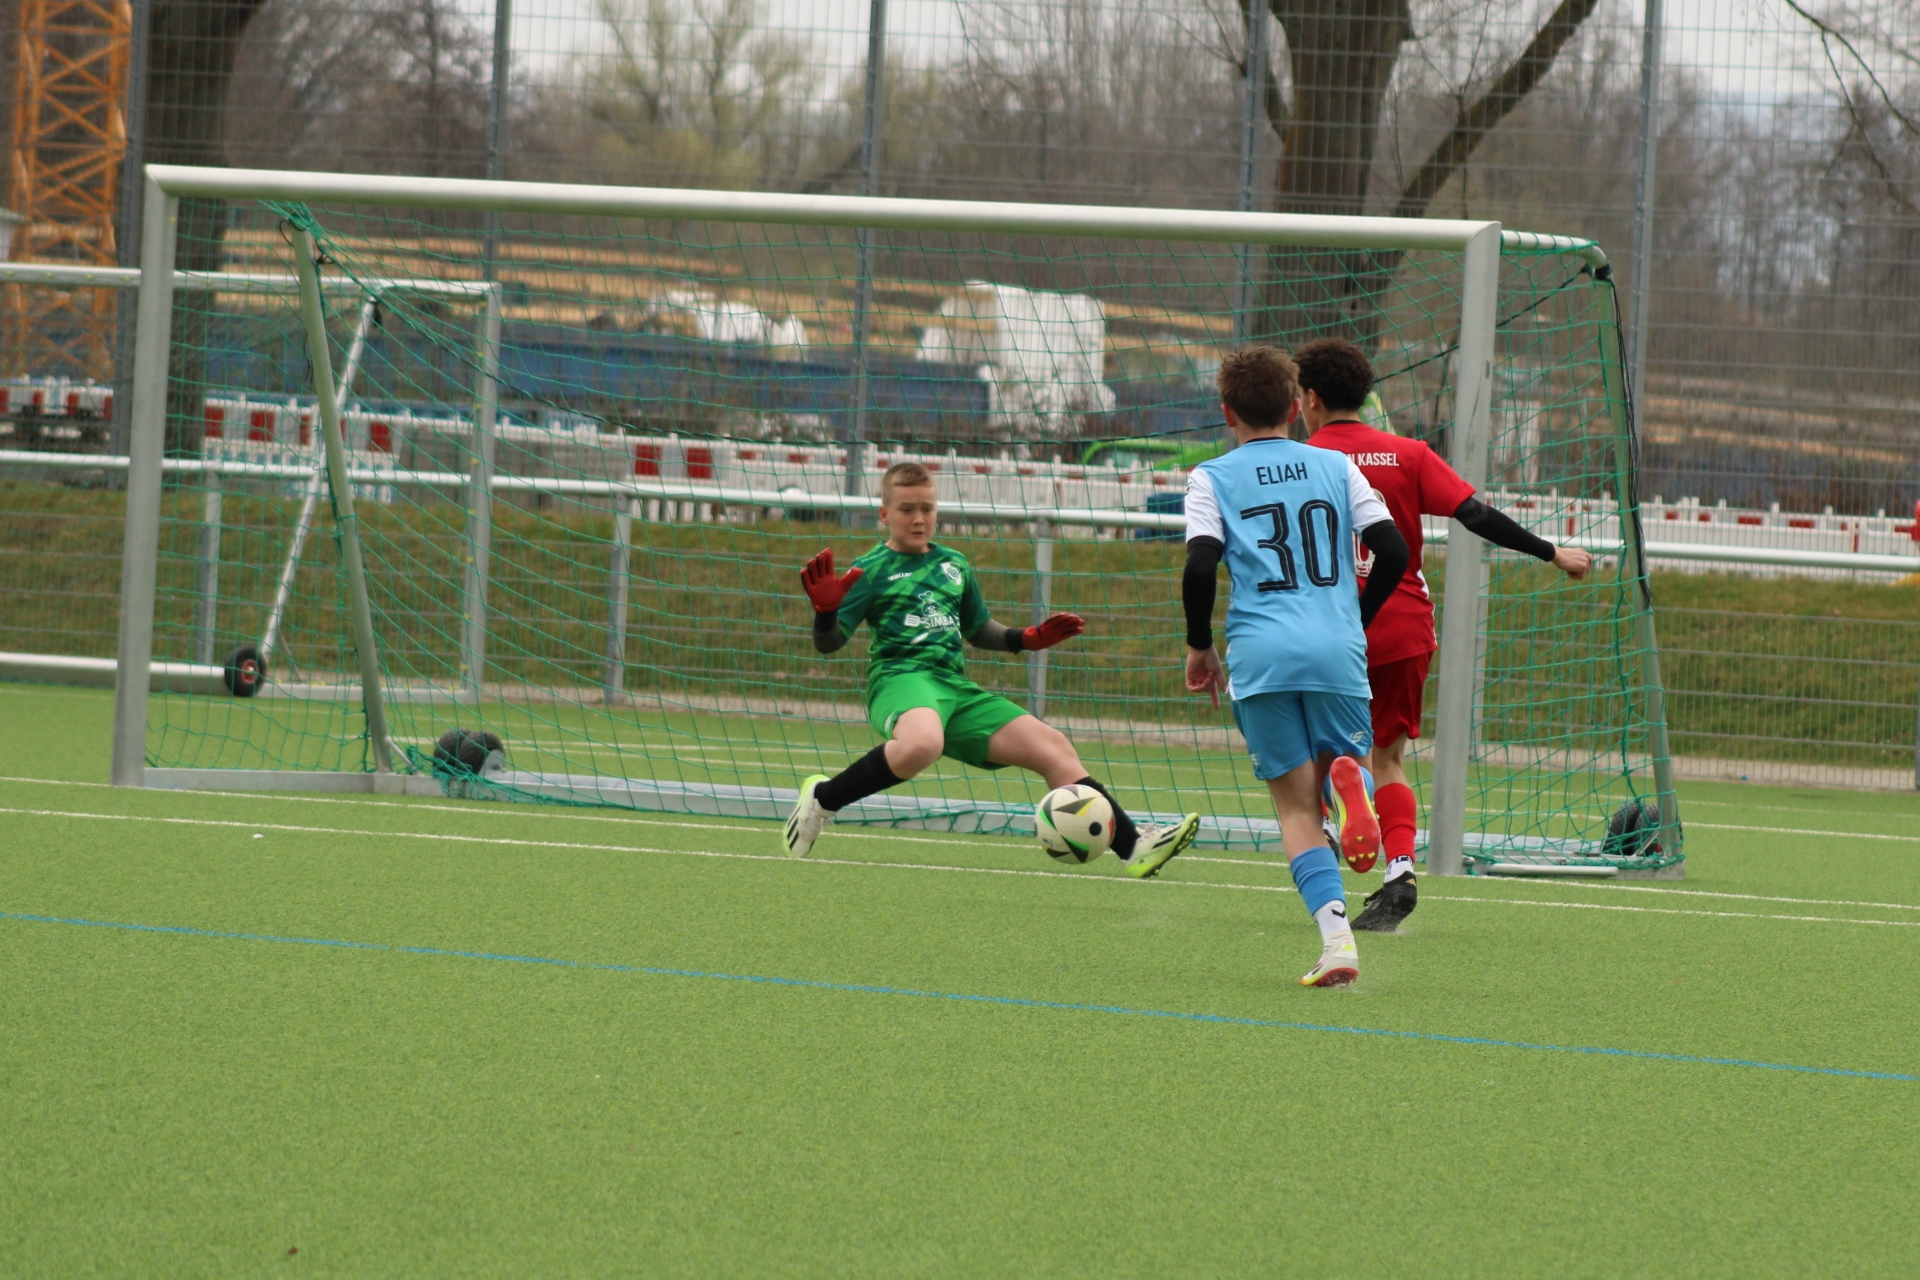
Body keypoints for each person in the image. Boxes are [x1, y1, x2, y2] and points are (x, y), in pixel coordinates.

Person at [1296, 337, 1593, 932]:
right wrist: (1551, 551)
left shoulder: (1300, 460)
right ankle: (1400, 870)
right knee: (1389, 759)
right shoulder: (1407, 453)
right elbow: (1474, 515)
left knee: (1317, 752)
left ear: (1310, 399)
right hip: (1402, 624)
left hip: (1328, 626)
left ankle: (1329, 825)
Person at [786, 460, 1201, 874]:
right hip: (901, 680)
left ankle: (1133, 848)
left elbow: (978, 628)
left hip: (953, 689)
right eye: (906, 509)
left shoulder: (954, 565)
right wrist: (825, 612)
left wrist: (1025, 639)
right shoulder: (870, 570)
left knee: (1053, 747)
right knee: (922, 744)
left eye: (927, 508)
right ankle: (823, 799)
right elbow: (829, 643)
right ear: (884, 514)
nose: (919, 519)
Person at [1183, 347, 1411, 987]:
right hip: (1336, 646)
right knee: (1349, 767)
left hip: (1262, 653)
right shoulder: (1337, 466)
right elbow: (1391, 550)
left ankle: (1338, 943)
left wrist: (1200, 645)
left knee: (1295, 810)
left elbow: (1201, 565)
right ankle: (1354, 785)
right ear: (1293, 406)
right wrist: (1353, 617)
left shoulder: (1211, 476)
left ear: (1227, 412)